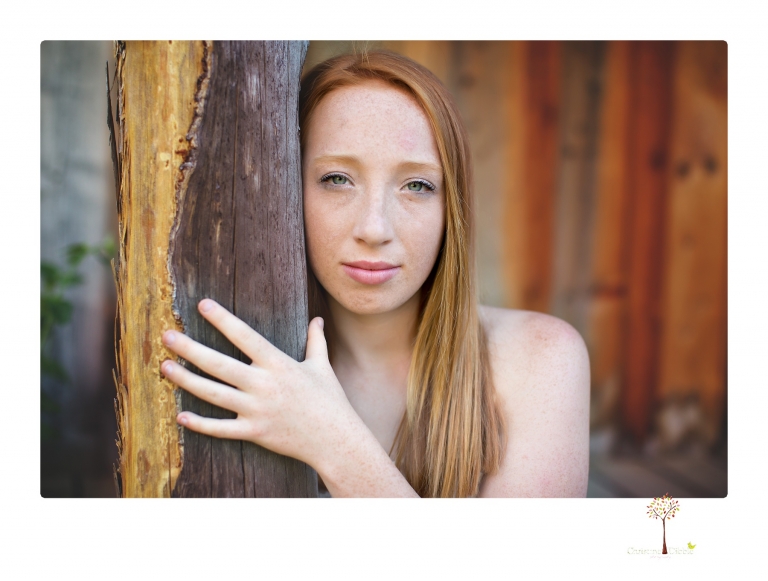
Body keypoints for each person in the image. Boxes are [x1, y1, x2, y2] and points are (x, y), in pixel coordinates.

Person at [159, 50, 590, 498]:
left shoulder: (540, 360)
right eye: (337, 179)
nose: (374, 229)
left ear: (451, 210)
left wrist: (331, 440)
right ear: (286, 188)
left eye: (417, 185)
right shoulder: (238, 367)